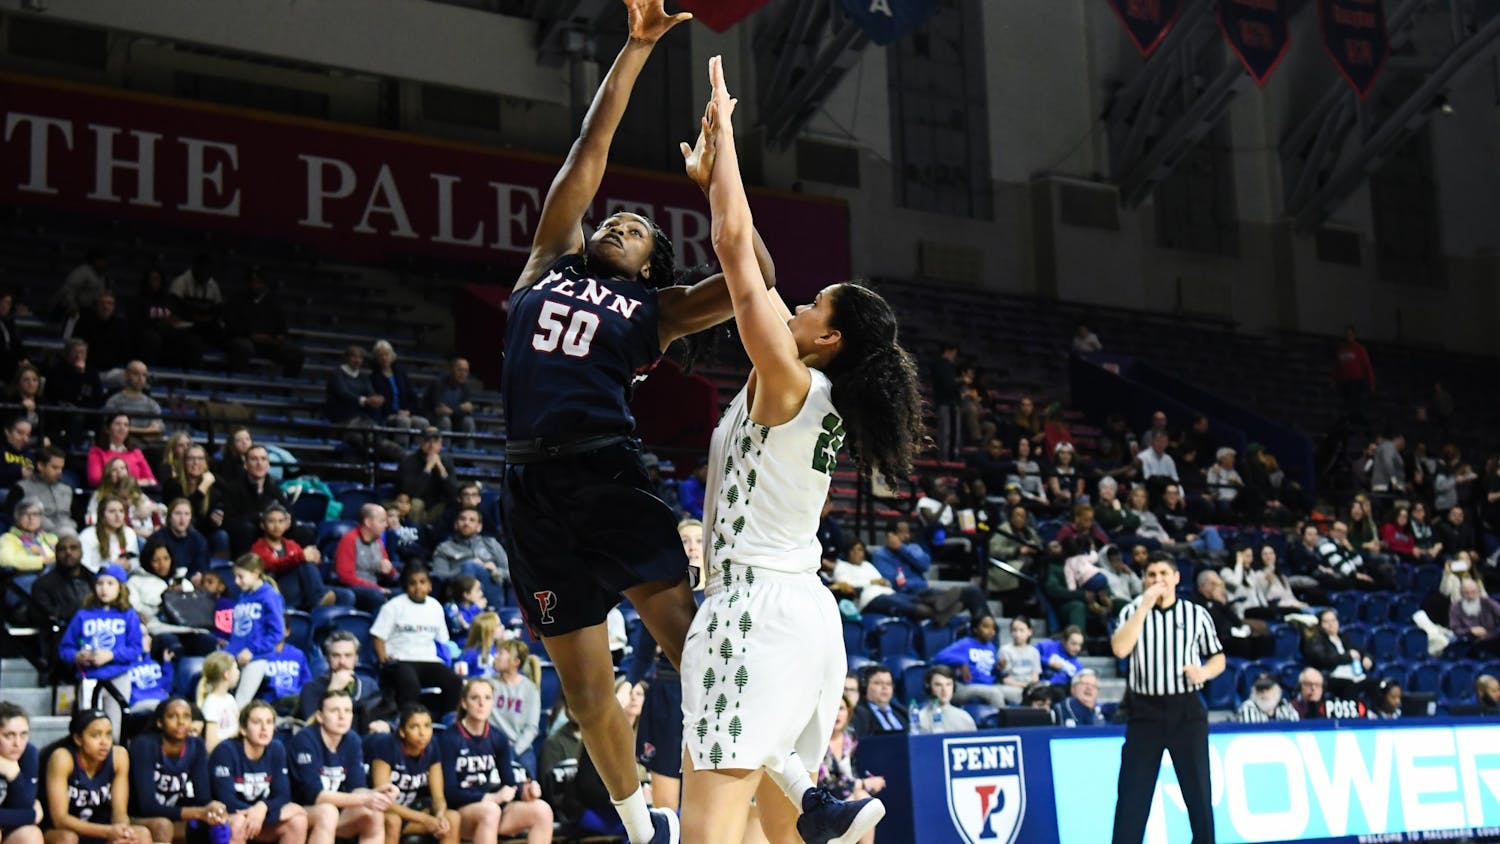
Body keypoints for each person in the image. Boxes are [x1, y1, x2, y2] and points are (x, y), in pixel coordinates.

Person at [497, 6, 803, 842]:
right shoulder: (546, 262)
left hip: (610, 475)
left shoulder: (657, 310)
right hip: (529, 488)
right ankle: (645, 830)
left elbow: (762, 276)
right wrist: (634, 50)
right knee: (587, 691)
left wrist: (718, 187)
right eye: (615, 221)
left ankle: (801, 799)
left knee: (698, 658)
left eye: (637, 231)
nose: (619, 224)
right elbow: (586, 153)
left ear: (652, 267)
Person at [679, 55, 931, 844]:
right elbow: (744, 254)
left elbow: (733, 249)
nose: (796, 301)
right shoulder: (821, 398)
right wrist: (715, 177)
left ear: (826, 339)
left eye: (813, 303)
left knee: (710, 831)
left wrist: (725, 149)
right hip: (806, 618)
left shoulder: (787, 382)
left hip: (753, 614)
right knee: (781, 829)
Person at [1108, 553, 1224, 844]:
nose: (1157, 580)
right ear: (1144, 581)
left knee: (1198, 796)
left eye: (1163, 573)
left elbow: (1218, 657)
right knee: (1132, 798)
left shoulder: (1196, 614)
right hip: (1144, 713)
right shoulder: (1132, 611)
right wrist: (1144, 606)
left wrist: (1204, 672)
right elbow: (1120, 649)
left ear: (1176, 578)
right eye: (1151, 575)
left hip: (1186, 712)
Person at [440, 679, 555, 844]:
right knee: (490, 811)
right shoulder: (449, 738)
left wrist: (524, 791)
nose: (481, 703)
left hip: (490, 810)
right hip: (459, 813)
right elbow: (449, 794)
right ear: (464, 703)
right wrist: (491, 798)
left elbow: (509, 784)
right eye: (475, 698)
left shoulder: (498, 737)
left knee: (542, 809)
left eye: (487, 698)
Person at [285, 689, 389, 844]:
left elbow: (357, 788)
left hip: (335, 812)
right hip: (300, 812)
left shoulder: (352, 740)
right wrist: (364, 798)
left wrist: (376, 794)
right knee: (328, 811)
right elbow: (315, 796)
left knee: (375, 814)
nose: (342, 717)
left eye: (347, 711)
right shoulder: (305, 740)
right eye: (335, 711)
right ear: (320, 716)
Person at [128, 697, 230, 844]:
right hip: (138, 817)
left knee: (219, 824)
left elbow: (203, 798)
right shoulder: (144, 746)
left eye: (186, 716)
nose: (181, 721)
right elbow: (147, 807)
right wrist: (199, 812)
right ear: (160, 722)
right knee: (163, 825)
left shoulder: (196, 745)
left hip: (174, 813)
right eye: (173, 716)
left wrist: (212, 807)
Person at [42, 710, 152, 844]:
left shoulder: (119, 756)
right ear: (78, 739)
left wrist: (123, 830)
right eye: (95, 735)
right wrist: (107, 831)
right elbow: (60, 819)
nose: (104, 742)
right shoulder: (62, 758)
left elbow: (119, 812)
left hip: (102, 826)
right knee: (67, 839)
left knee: (141, 834)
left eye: (108, 735)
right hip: (66, 829)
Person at [207, 701, 310, 844]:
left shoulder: (277, 749)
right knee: (238, 823)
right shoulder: (225, 751)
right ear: (243, 729)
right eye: (257, 722)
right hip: (226, 819)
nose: (264, 728)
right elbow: (226, 801)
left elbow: (283, 795)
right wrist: (261, 813)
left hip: (259, 818)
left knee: (298, 820)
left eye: (269, 722)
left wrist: (263, 808)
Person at [58, 564, 141, 737]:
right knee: (87, 728)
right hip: (89, 678)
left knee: (115, 730)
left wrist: (111, 655)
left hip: (118, 678)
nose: (104, 588)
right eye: (100, 583)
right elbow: (65, 648)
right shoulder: (83, 615)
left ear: (120, 587)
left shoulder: (128, 614)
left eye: (110, 583)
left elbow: (135, 649)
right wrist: (77, 656)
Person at [371, 567, 460, 714]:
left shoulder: (435, 606)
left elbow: (443, 640)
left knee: (455, 682)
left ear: (430, 586)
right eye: (412, 583)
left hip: (429, 660)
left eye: (422, 582)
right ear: (406, 586)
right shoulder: (393, 606)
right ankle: (406, 722)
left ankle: (448, 722)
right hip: (401, 660)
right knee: (410, 685)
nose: (418, 587)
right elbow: (378, 637)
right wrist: (383, 660)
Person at [366, 706, 458, 844]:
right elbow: (383, 800)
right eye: (414, 727)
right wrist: (424, 819)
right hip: (384, 810)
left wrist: (439, 814)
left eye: (427, 726)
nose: (423, 733)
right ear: (402, 732)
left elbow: (438, 796)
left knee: (452, 818)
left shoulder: (433, 747)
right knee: (393, 821)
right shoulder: (386, 746)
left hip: (412, 808)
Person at [224, 555, 286, 711]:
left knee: (240, 704)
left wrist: (252, 650)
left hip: (257, 657)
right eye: (235, 576)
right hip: (235, 655)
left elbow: (277, 631)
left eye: (241, 576)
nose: (236, 582)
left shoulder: (269, 595)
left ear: (255, 573)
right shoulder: (243, 595)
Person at [294, 632, 387, 735]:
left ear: (356, 658)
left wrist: (385, 725)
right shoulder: (311, 688)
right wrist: (334, 689)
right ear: (327, 659)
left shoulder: (369, 685)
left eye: (348, 655)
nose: (342, 661)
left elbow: (384, 716)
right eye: (336, 656)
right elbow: (311, 728)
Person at [250, 504, 331, 613]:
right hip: (277, 590)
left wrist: (316, 559)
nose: (276, 526)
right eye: (271, 521)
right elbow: (273, 566)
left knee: (346, 596)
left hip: (302, 590)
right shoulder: (258, 547)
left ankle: (322, 617)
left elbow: (310, 571)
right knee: (304, 564)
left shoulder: (292, 544)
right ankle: (318, 601)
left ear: (287, 524)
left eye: (280, 521)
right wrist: (302, 557)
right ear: (262, 525)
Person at [225, 268, 303, 378]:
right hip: (247, 340)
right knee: (242, 347)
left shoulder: (274, 303)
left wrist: (279, 337)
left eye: (258, 282)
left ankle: (286, 391)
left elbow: (282, 329)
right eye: (252, 281)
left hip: (270, 344)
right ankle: (237, 385)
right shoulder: (237, 300)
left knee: (295, 354)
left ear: (264, 284)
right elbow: (232, 326)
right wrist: (251, 335)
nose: (255, 285)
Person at [429, 507, 508, 611]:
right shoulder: (445, 548)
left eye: (472, 520)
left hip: (491, 592)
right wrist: (465, 567)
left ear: (479, 527)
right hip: (458, 593)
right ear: (456, 524)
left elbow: (512, 573)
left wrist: (496, 571)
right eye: (462, 519)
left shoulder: (491, 544)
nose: (466, 523)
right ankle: (468, 613)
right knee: (469, 566)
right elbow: (439, 576)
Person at [487, 641, 541, 779]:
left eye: (500, 653)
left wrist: (513, 751)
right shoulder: (488, 684)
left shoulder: (530, 689)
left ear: (515, 662)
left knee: (529, 781)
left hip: (519, 748)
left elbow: (531, 729)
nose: (496, 656)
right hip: (491, 746)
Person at [160, 445, 227, 554]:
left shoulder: (216, 484)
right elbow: (185, 512)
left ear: (206, 462)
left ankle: (221, 569)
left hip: (206, 531)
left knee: (221, 536)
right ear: (184, 462)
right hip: (180, 532)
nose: (196, 462)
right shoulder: (173, 485)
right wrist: (202, 488)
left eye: (200, 459)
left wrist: (220, 516)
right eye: (191, 458)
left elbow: (225, 508)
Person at [932, 616, 1007, 708]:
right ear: (975, 629)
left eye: (993, 627)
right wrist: (962, 662)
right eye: (986, 627)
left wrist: (998, 668)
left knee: (1018, 694)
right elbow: (938, 657)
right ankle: (1004, 721)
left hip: (989, 685)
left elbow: (990, 672)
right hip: (966, 686)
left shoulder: (991, 647)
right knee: (995, 693)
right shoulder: (965, 643)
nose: (991, 631)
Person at [333, 504, 395, 614]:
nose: (386, 525)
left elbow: (390, 572)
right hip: (354, 588)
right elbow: (345, 576)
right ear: (368, 522)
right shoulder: (349, 540)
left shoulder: (378, 542)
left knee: (402, 594)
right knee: (376, 596)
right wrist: (375, 588)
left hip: (376, 587)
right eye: (382, 521)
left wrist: (389, 571)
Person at [1302, 609, 1373, 699]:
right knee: (1350, 685)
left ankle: (1378, 712)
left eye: (1333, 620)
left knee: (1381, 685)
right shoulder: (1317, 641)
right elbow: (1324, 660)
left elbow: (1359, 651)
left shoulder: (1343, 637)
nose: (1331, 624)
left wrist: (1367, 657)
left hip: (1355, 676)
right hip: (1333, 677)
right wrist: (1348, 657)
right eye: (1326, 622)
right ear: (1320, 625)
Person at [7, 447, 73, 535]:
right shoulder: (21, 488)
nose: (59, 472)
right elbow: (14, 519)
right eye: (55, 467)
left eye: (61, 468)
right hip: (35, 537)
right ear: (40, 466)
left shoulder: (67, 489)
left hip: (68, 535)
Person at [0, 702, 41, 844]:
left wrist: (14, 775)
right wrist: (32, 815)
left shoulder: (28, 753)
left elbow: (25, 804)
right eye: (9, 735)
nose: (17, 743)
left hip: (8, 828)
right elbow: (30, 812)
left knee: (31, 835)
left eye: (23, 735)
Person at [396, 428, 454, 526]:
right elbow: (412, 493)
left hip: (435, 507)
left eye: (435, 441)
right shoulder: (408, 461)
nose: (432, 445)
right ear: (420, 442)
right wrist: (428, 469)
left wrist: (441, 469)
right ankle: (414, 536)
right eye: (428, 441)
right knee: (417, 503)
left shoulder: (446, 461)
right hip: (411, 507)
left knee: (456, 504)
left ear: (440, 444)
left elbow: (453, 494)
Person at [86, 414, 155, 489]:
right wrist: (134, 482)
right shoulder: (97, 451)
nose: (122, 428)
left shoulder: (136, 452)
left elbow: (151, 480)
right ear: (107, 429)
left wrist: (122, 482)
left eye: (126, 425)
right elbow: (95, 479)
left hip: (136, 494)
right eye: (118, 424)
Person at [100, 362, 164, 443]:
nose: (140, 378)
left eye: (144, 375)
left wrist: (126, 430)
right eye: (136, 374)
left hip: (144, 449)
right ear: (126, 375)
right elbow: (108, 429)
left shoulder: (152, 404)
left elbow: (158, 430)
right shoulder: (114, 401)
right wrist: (146, 432)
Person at [422, 358, 477, 447]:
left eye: (466, 371)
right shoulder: (438, 383)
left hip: (455, 421)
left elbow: (468, 409)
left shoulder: (465, 387)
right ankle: (445, 453)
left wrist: (453, 410)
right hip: (433, 420)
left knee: (468, 421)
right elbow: (439, 410)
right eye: (460, 370)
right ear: (451, 370)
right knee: (445, 420)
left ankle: (468, 455)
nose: (463, 374)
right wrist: (459, 408)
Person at [910, 666, 976, 734]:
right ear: (928, 687)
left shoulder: (965, 718)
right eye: (938, 685)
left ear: (954, 686)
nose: (944, 690)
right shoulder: (920, 719)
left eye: (948, 684)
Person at [197, 651, 241, 751]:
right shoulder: (211, 703)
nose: (239, 672)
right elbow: (210, 745)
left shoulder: (230, 698)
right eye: (236, 668)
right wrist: (235, 735)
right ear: (226, 674)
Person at [0, 498, 56, 574]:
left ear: (41, 518)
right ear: (17, 518)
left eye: (35, 514)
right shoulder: (8, 538)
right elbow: (5, 561)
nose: (31, 518)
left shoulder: (50, 538)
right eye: (25, 514)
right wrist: (41, 561)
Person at [1333, 325, 1375, 426]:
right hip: (1345, 382)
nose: (1348, 337)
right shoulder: (1341, 350)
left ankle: (1359, 424)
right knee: (1347, 404)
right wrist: (1334, 380)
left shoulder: (1359, 349)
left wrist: (1371, 381)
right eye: (1347, 335)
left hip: (1357, 381)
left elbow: (1367, 365)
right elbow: (1337, 367)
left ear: (1354, 335)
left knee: (1354, 404)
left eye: (1350, 334)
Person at [848, 667, 906, 739]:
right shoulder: (859, 714)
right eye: (878, 683)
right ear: (865, 686)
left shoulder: (903, 713)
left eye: (888, 684)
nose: (885, 687)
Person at [1450, 578, 1500, 655]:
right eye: (1467, 593)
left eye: (1473, 592)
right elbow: (1455, 629)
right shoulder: (1455, 607)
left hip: (1491, 639)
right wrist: (1470, 630)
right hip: (1468, 642)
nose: (1470, 596)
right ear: (1461, 594)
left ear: (1479, 592)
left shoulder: (1487, 603)